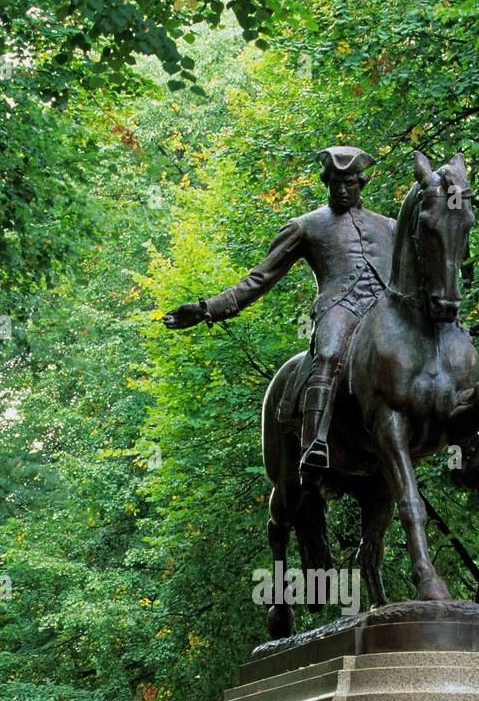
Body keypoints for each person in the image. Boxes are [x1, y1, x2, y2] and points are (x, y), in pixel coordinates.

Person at [163, 145, 395, 475]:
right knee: (328, 353)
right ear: (325, 183)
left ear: (362, 183)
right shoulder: (306, 226)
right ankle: (315, 444)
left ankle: (469, 436)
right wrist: (206, 309)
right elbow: (260, 278)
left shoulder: (390, 226)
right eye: (335, 184)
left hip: (387, 313)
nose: (342, 190)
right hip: (339, 308)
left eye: (350, 184)